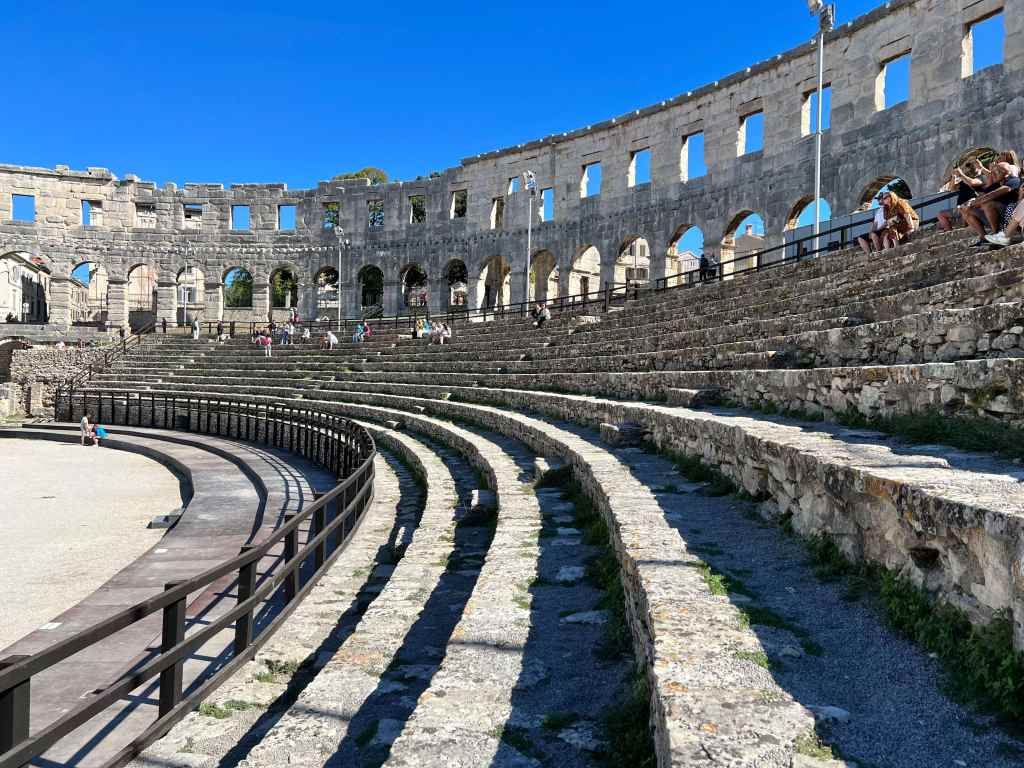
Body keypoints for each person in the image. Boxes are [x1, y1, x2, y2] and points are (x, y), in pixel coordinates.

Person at [963, 150, 1021, 246]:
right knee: (969, 210)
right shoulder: (997, 184)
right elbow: (984, 194)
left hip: (1011, 215)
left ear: (1005, 173)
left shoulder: (1013, 180)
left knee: (988, 204)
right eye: (993, 172)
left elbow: (992, 195)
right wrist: (971, 203)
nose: (993, 174)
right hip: (999, 217)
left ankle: (996, 235)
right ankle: (984, 238)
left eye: (996, 172)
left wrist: (974, 202)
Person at [937, 159, 986, 231]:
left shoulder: (980, 177)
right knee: (940, 214)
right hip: (960, 207)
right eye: (968, 167)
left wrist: (961, 174)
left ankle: (969, 226)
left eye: (971, 166)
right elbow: (951, 189)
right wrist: (953, 176)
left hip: (972, 204)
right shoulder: (963, 181)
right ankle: (949, 231)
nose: (969, 169)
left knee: (964, 208)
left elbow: (972, 183)